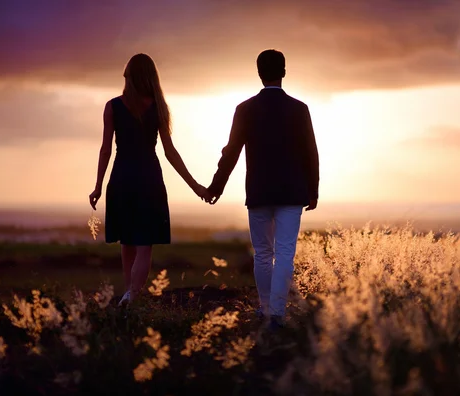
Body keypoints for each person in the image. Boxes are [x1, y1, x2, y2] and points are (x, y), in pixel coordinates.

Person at [207, 49, 319, 328]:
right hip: (292, 193)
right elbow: (311, 153)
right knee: (284, 254)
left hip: (258, 192)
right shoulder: (299, 109)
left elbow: (231, 152)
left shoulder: (245, 109)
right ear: (284, 71)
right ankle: (278, 315)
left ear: (259, 73)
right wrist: (313, 190)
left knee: (263, 253)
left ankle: (265, 308)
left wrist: (215, 187)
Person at [89, 53, 210, 305]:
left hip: (121, 177)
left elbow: (105, 150)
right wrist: (195, 185)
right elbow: (170, 152)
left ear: (129, 77)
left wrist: (98, 186)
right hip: (149, 178)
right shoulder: (158, 107)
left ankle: (129, 295)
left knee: (128, 241)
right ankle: (133, 295)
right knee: (144, 245)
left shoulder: (113, 106)